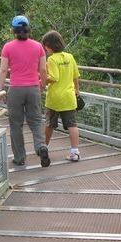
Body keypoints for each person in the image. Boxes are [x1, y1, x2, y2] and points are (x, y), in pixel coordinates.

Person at [0, 15, 51, 167]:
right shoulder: (38, 47)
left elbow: (3, 70)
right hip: (33, 88)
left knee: (16, 124)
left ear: (14, 30)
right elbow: (42, 69)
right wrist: (42, 85)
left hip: (15, 90)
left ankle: (20, 157)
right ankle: (41, 147)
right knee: (35, 122)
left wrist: (0, 90)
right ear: (28, 28)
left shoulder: (8, 47)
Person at [41, 30, 81, 162]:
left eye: (45, 46)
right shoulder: (70, 57)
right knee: (72, 125)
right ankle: (75, 152)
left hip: (55, 98)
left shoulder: (52, 59)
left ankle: (43, 148)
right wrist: (77, 91)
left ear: (48, 45)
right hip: (69, 97)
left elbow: (54, 77)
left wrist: (42, 78)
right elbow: (76, 76)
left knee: (50, 124)